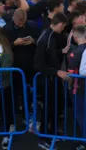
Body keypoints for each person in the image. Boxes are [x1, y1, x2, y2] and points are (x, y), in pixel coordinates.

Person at [34, 13, 70, 150]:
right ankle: (43, 138)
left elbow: (52, 53)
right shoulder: (45, 38)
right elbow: (38, 64)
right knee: (48, 109)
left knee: (56, 106)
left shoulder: (51, 35)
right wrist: (57, 72)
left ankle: (53, 131)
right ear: (60, 24)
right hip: (48, 80)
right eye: (63, 27)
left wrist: (61, 51)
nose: (63, 29)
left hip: (54, 79)